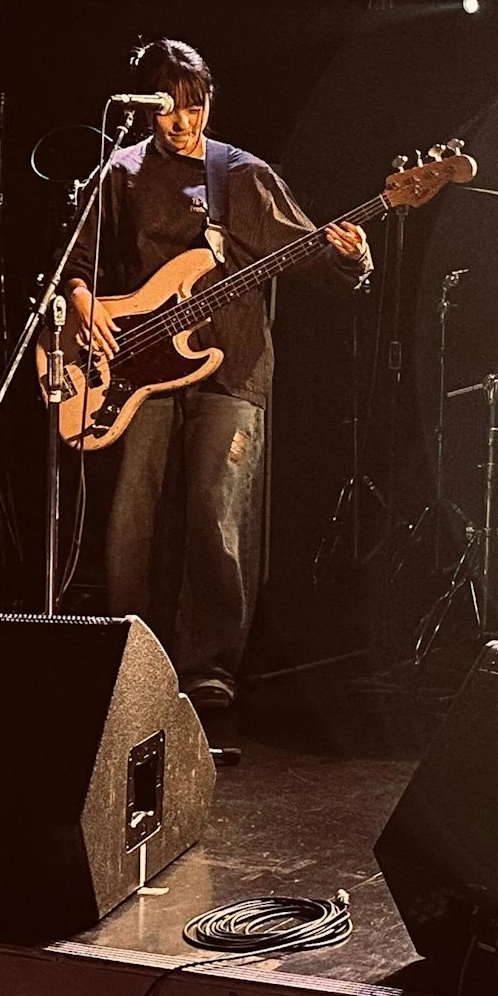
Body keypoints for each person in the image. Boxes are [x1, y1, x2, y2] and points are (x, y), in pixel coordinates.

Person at [64, 40, 372, 712]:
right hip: (137, 369)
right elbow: (74, 263)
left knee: (215, 512)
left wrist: (350, 258)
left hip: (230, 364)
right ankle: (130, 653)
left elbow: (312, 258)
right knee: (133, 517)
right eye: (168, 108)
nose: (183, 122)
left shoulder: (242, 176)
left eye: (195, 106)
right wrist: (82, 301)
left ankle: (209, 667)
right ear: (145, 108)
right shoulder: (119, 172)